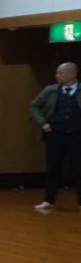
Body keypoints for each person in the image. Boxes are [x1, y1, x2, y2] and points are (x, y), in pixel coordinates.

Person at [29, 61, 81, 212]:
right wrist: (42, 122)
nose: (57, 75)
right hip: (55, 135)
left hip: (77, 135)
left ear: (72, 74)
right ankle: (48, 200)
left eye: (60, 73)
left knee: (79, 168)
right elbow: (33, 105)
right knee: (53, 168)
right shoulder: (50, 90)